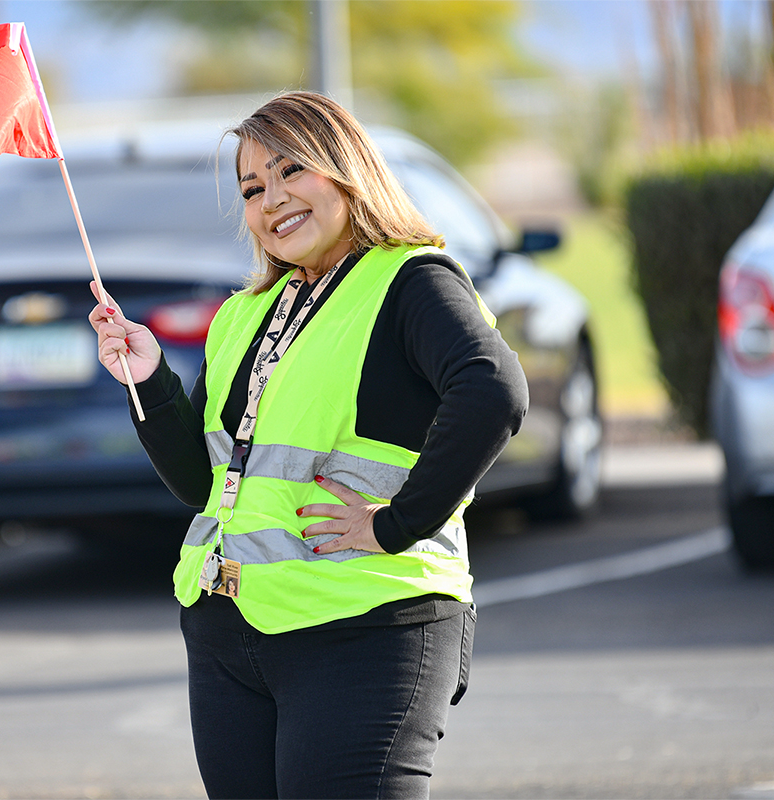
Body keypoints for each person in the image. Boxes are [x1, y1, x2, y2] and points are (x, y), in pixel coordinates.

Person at [88, 91, 528, 799]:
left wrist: (396, 524)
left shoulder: (411, 280)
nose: (272, 200)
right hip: (230, 638)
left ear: (345, 169)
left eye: (293, 171)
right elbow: (207, 486)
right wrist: (148, 379)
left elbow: (493, 391)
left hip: (365, 629)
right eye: (253, 188)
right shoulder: (241, 315)